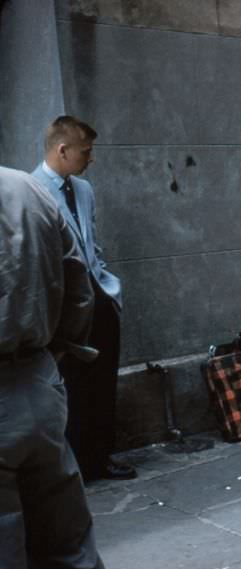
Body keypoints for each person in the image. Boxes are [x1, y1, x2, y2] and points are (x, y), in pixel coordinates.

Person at [0, 166, 133, 569]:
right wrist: (49, 358)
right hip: (35, 384)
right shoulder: (27, 188)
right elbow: (80, 292)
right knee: (70, 557)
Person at [31, 115, 136, 481]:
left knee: (103, 382)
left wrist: (106, 285)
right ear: (63, 150)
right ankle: (75, 462)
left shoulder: (85, 190)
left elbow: (91, 240)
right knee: (71, 388)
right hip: (65, 312)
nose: (90, 159)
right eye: (85, 152)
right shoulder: (33, 191)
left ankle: (101, 457)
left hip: (99, 300)